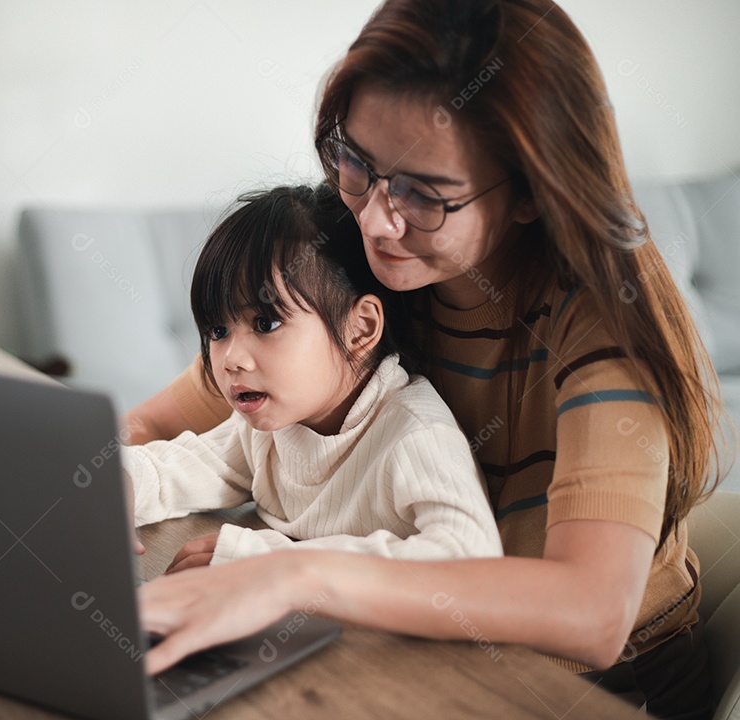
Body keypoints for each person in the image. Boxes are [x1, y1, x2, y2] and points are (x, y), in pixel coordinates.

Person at [122, 1, 729, 716]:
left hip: (594, 687)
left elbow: (591, 615)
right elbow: (153, 425)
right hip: (423, 646)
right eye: (356, 162)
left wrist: (293, 576)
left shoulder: (598, 328)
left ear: (533, 192)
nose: (377, 220)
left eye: (425, 195)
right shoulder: (356, 260)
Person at [122, 184, 503, 571]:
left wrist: (275, 561)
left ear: (361, 329)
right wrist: (121, 479)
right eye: (218, 331)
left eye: (265, 322)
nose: (230, 359)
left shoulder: (415, 434)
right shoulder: (269, 428)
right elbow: (184, 466)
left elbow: (470, 557)